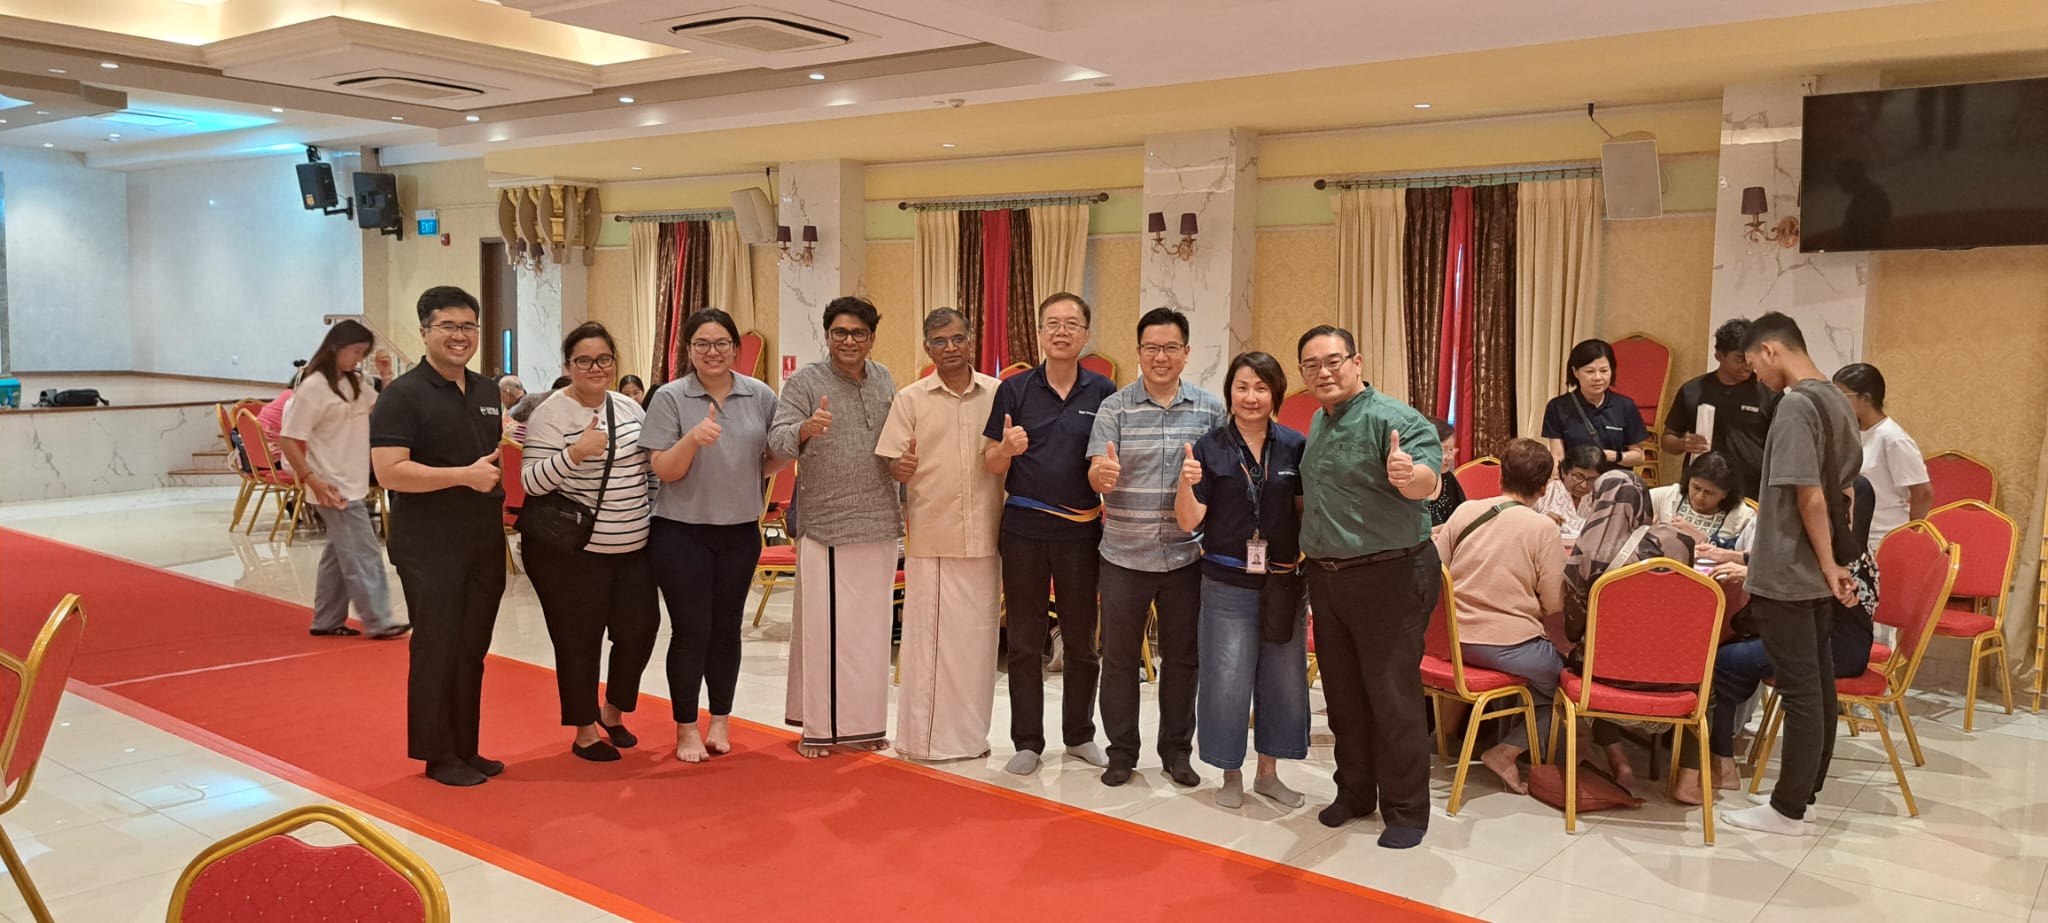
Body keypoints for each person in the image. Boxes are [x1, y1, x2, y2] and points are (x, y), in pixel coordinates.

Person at [1295, 325, 1444, 850]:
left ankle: (1406, 811)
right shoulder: (1318, 419)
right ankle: (1355, 791)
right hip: (1330, 577)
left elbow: (1430, 480)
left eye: (1333, 360)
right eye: (1311, 364)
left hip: (1391, 574)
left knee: (1391, 696)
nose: (1324, 372)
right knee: (1343, 696)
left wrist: (1410, 476)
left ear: (1357, 362)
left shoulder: (1394, 418)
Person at [1721, 312, 1863, 837]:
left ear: (1773, 350)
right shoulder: (1837, 401)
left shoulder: (1795, 406)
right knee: (1818, 683)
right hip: (1817, 566)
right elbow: (1843, 491)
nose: (1754, 375)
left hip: (1789, 568)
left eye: (1754, 363)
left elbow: (1807, 494)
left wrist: (1827, 567)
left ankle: (1787, 809)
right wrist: (1835, 564)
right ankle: (1808, 794)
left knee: (1801, 689)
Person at [370, 286, 510, 787]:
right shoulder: (401, 396)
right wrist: (461, 476)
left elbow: (492, 457)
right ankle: (437, 753)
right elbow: (389, 472)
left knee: (471, 646)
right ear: (425, 331)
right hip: (429, 544)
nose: (460, 336)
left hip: (482, 540)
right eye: (448, 326)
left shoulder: (487, 390)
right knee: (437, 646)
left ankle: (465, 747)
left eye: (469, 326)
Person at [1087, 308, 1227, 788]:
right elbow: (1095, 468)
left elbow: (1222, 481)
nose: (1160, 357)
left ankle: (1176, 751)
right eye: (1151, 347)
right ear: (1139, 351)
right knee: (1121, 659)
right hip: (1124, 554)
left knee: (1182, 659)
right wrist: (1099, 474)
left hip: (1187, 557)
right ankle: (1122, 752)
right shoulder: (1115, 407)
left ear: (1187, 353)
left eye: (1171, 348)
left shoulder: (1211, 410)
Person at [1674, 476, 1878, 806]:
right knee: (1732, 654)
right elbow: (1795, 561)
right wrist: (1737, 558)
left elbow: (1798, 577)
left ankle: (1721, 764)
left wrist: (1751, 573)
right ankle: (1720, 753)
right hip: (1834, 643)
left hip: (1834, 649)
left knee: (1720, 662)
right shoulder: (1852, 548)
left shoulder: (1839, 556)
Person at [983, 293, 1117, 776]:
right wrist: (1006, 448)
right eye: (1052, 324)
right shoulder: (1014, 389)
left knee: (1082, 640)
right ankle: (1027, 741)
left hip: (1081, 532)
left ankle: (1080, 734)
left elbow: (1108, 457)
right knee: (1023, 639)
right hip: (1022, 529)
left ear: (1085, 334)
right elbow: (990, 464)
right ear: (1040, 333)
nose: (1062, 332)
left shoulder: (1104, 391)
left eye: (1072, 324)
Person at [644, 309, 784, 762]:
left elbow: (769, 459)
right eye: (702, 344)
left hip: (739, 532)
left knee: (727, 629)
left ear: (736, 349)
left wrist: (799, 442)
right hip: (680, 532)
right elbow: (664, 469)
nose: (713, 352)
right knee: (691, 630)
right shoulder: (670, 397)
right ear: (688, 350)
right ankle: (686, 728)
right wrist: (693, 439)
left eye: (722, 343)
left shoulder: (760, 394)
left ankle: (720, 720)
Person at [518, 322, 660, 762]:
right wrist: (576, 452)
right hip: (571, 553)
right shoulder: (549, 414)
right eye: (584, 360)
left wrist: (649, 514)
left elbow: (649, 472)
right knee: (578, 640)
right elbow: (530, 482)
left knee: (640, 631)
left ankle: (612, 710)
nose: (595, 368)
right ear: (568, 365)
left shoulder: (630, 409)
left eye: (604, 359)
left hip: (633, 547)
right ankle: (583, 729)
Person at [769, 297, 902, 759]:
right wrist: (806, 428)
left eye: (859, 333)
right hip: (827, 523)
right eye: (840, 333)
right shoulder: (805, 381)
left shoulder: (884, 377)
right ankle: (820, 729)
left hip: (881, 520)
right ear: (827, 336)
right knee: (825, 634)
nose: (849, 341)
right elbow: (778, 440)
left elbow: (896, 439)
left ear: (871, 337)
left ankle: (865, 725)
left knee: (870, 634)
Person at [1175, 352, 1309, 809]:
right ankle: (1229, 772)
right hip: (1226, 582)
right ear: (1229, 392)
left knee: (1283, 681)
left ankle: (1268, 773)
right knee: (1226, 679)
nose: (1251, 397)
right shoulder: (1208, 448)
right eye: (1242, 387)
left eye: (1262, 388)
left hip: (1283, 581)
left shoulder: (1296, 446)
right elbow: (1187, 521)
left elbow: (1302, 515)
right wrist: (1186, 482)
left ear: (1276, 394)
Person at [875, 309, 1005, 761]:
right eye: (939, 341)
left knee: (978, 646)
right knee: (928, 648)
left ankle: (971, 738)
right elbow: (892, 461)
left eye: (958, 339)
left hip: (987, 537)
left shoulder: (998, 393)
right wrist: (900, 468)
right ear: (927, 347)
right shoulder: (911, 399)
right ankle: (923, 742)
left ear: (972, 341)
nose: (950, 348)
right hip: (932, 537)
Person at [1433, 438, 1565, 795]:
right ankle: (1507, 751)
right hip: (1507, 644)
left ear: (1500, 477)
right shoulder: (1543, 529)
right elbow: (1553, 605)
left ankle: (1478, 738)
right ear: (1543, 487)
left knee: (1541, 680)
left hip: (1452, 641)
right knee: (1567, 682)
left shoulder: (1464, 512)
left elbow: (1436, 572)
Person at [1561, 468, 1695, 789]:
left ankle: (1616, 759)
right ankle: (1692, 777)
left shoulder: (1583, 560)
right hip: (1672, 675)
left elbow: (1571, 630)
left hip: (1604, 675)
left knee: (1596, 656)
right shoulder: (1679, 543)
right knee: (1710, 674)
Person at [279, 320, 408, 640]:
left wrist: (387, 376)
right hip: (331, 485)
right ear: (336, 348)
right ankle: (379, 619)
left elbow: (381, 410)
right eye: (355, 351)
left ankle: (326, 618)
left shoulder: (354, 383)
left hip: (352, 479)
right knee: (363, 553)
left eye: (363, 353)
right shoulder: (312, 387)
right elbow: (288, 440)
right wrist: (313, 480)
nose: (358, 358)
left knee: (339, 554)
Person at [1662, 319, 1779, 499]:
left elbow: (1783, 445)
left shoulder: (1770, 391)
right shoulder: (1692, 390)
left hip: (1753, 494)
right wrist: (1682, 444)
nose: (1748, 365)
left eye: (1751, 358)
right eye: (1739, 359)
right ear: (1719, 356)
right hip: (1702, 492)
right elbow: (1667, 440)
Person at [1833, 363, 1930, 555]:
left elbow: (1923, 492)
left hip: (1883, 539)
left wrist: (1911, 534)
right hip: (1852, 534)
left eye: (1842, 396)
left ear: (1866, 399)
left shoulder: (1893, 438)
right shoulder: (1852, 432)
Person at [1542, 338, 1648, 470]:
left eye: (1604, 371)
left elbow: (1639, 456)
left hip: (1615, 482)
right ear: (1575, 372)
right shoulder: (1557, 407)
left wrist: (1614, 456)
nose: (1598, 377)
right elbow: (1557, 456)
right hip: (1577, 484)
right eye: (1590, 371)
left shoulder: (1625, 405)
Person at [1649, 451, 1757, 565]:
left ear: (1726, 493)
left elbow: (1747, 560)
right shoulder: (1668, 496)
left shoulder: (1743, 517)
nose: (1700, 496)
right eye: (1696, 487)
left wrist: (1703, 539)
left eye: (1709, 493)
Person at [1535, 443, 1604, 532]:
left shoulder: (1600, 497)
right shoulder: (1545, 492)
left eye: (1591, 479)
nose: (1584, 485)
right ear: (1564, 472)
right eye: (1578, 477)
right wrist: (1539, 518)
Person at [1425, 418, 1467, 528]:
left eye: (1451, 450)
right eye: (1443, 450)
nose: (1449, 457)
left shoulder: (1448, 479)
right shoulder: (1411, 483)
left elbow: (1462, 518)